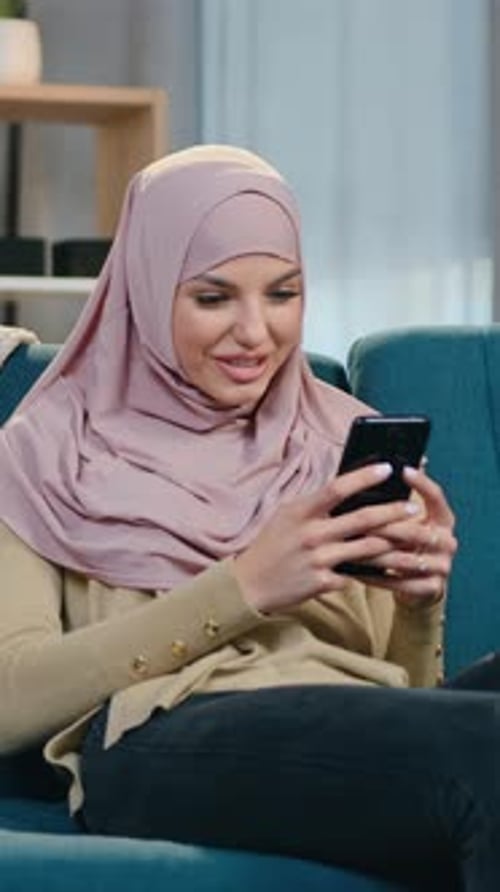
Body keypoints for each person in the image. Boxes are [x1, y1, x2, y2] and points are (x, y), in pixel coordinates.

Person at [0, 144, 496, 891]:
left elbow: (407, 704)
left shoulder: (333, 432)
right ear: (146, 288)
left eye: (283, 293)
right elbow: (10, 699)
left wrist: (419, 605)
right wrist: (245, 586)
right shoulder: (46, 448)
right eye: (213, 298)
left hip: (350, 723)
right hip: (165, 731)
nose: (257, 333)